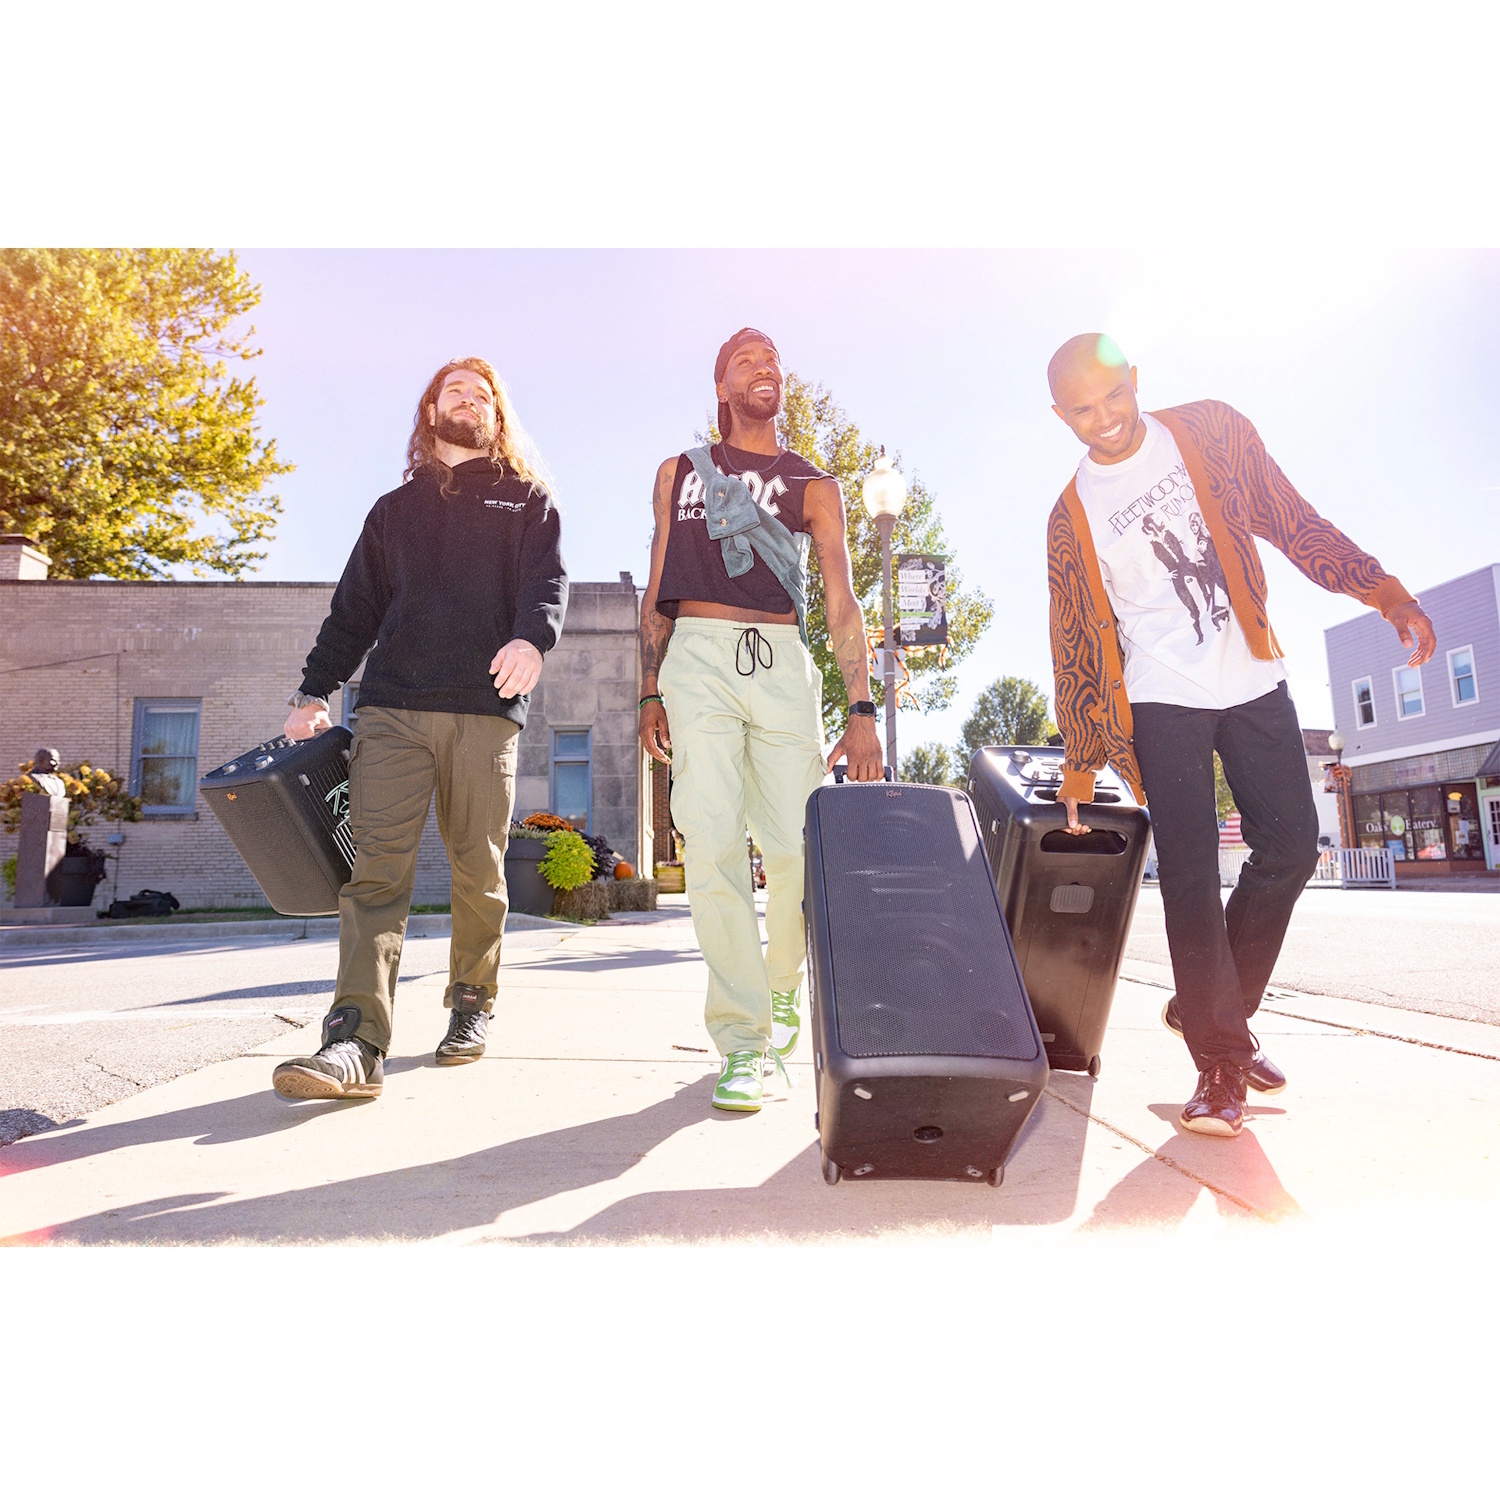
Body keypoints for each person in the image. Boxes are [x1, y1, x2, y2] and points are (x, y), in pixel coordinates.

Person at [1045, 333, 1435, 1136]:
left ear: (1136, 379)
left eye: (1114, 395)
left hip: (1253, 676)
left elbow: (1293, 520)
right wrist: (1081, 763)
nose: (1105, 418)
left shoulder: (1212, 431)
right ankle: (1221, 1063)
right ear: (1061, 416)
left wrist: (1383, 592)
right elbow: (1075, 639)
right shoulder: (1071, 514)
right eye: (1083, 410)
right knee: (1190, 880)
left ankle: (1205, 1009)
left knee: (1291, 849)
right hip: (1160, 699)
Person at [271, 359, 568, 1101]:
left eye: (483, 394)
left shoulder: (526, 500)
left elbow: (546, 585)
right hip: (392, 711)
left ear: (497, 416)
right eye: (454, 390)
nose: (469, 401)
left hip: (483, 711)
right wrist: (314, 691)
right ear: (430, 410)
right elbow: (354, 610)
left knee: (479, 870)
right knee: (375, 874)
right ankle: (355, 1040)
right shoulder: (393, 511)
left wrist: (533, 639)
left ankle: (471, 1003)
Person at [639, 328, 883, 1112]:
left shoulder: (814, 484)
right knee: (711, 846)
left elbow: (841, 601)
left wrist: (862, 708)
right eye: (746, 360)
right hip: (698, 656)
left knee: (795, 849)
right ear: (722, 387)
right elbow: (656, 589)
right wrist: (649, 689)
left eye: (772, 359)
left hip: (781, 663)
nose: (764, 367)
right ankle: (742, 1041)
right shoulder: (679, 472)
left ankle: (781, 987)